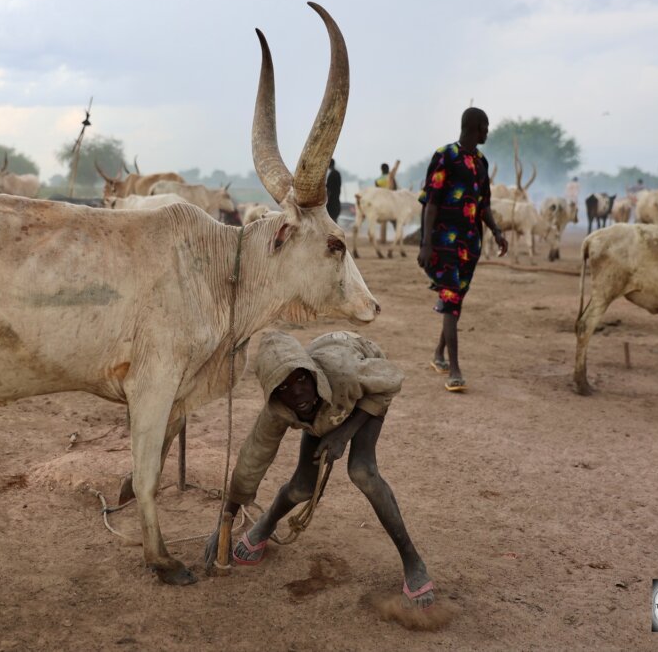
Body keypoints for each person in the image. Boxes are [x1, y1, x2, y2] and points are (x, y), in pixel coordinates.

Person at [203, 330, 435, 608]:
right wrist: (224, 521)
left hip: (361, 390)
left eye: (301, 379)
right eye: (284, 387)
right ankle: (265, 524)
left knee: (362, 471)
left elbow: (389, 381)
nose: (297, 391)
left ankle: (413, 561)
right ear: (273, 394)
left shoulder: (344, 372)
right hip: (323, 404)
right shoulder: (278, 411)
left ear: (311, 374)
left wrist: (344, 433)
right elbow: (250, 463)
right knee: (302, 486)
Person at [417, 107, 507, 392]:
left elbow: (484, 205)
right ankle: (454, 370)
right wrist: (426, 242)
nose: (488, 132)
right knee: (452, 299)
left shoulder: (481, 161)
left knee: (455, 304)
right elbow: (431, 202)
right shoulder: (445, 156)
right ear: (475, 127)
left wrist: (496, 231)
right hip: (444, 245)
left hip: (471, 244)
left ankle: (437, 354)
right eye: (486, 126)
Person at [326, 158, 341, 223]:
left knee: (331, 220)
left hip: (332, 203)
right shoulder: (337, 173)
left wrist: (327, 201)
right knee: (334, 220)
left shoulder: (332, 174)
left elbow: (329, 189)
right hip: (336, 201)